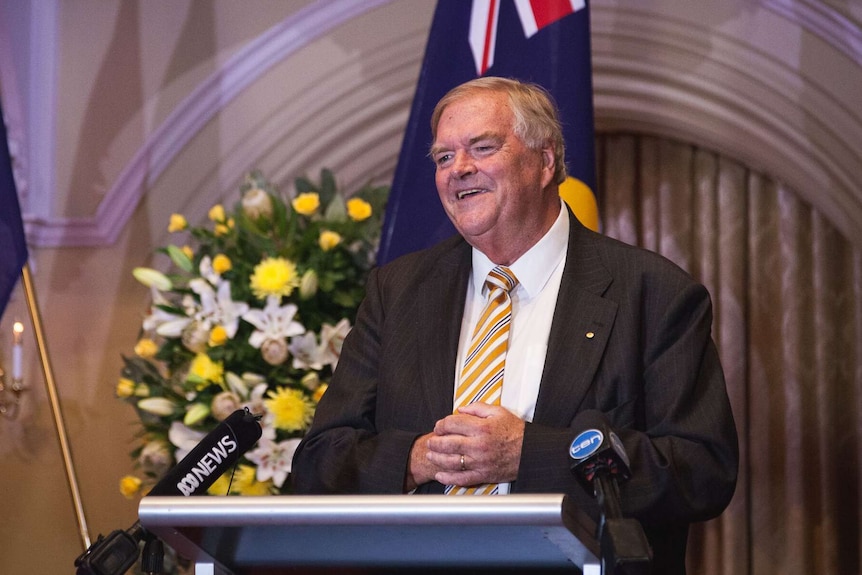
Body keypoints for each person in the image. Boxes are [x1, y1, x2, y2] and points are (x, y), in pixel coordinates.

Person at [291, 76, 738, 574]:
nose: (458, 169)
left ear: (545, 162)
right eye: (443, 157)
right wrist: (421, 459)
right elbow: (319, 463)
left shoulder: (652, 292)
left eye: (482, 148)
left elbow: (700, 471)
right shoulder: (397, 292)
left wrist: (528, 454)